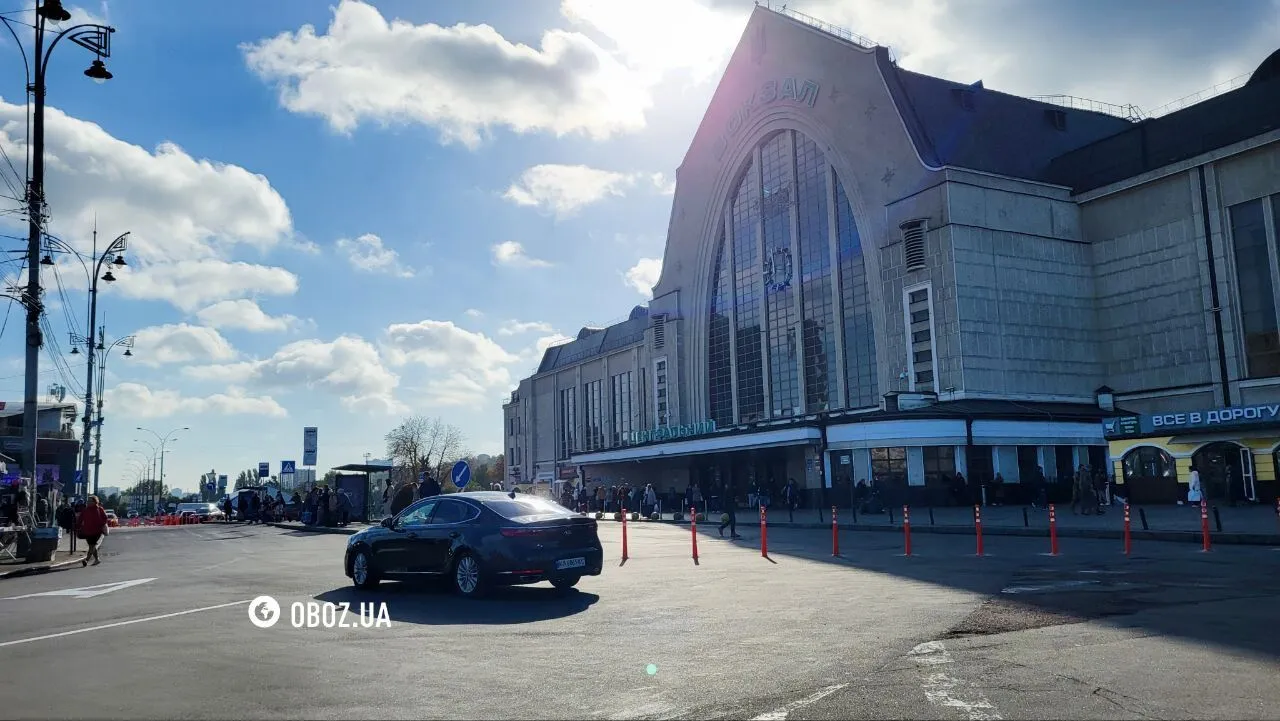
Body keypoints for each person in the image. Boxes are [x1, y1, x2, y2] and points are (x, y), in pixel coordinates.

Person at [76, 495, 110, 566]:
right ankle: (97, 559)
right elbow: (80, 519)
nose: (88, 502)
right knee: (92, 546)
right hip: (87, 531)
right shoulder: (85, 510)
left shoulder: (99, 509)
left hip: (97, 531)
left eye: (90, 501)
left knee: (92, 545)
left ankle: (86, 560)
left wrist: (101, 524)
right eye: (88, 501)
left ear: (95, 502)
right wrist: (77, 526)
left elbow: (105, 518)